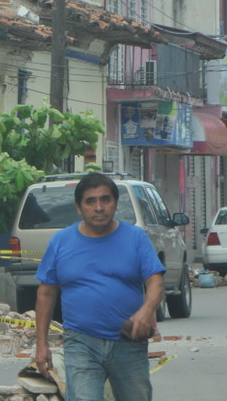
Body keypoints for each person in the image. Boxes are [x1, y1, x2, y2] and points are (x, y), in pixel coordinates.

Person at [34, 172, 164, 401]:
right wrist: (41, 345)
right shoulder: (61, 242)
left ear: (115, 203)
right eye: (90, 201)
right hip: (81, 342)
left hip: (129, 341)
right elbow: (46, 293)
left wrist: (146, 311)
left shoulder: (136, 238)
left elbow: (155, 281)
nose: (99, 207)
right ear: (78, 207)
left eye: (105, 199)